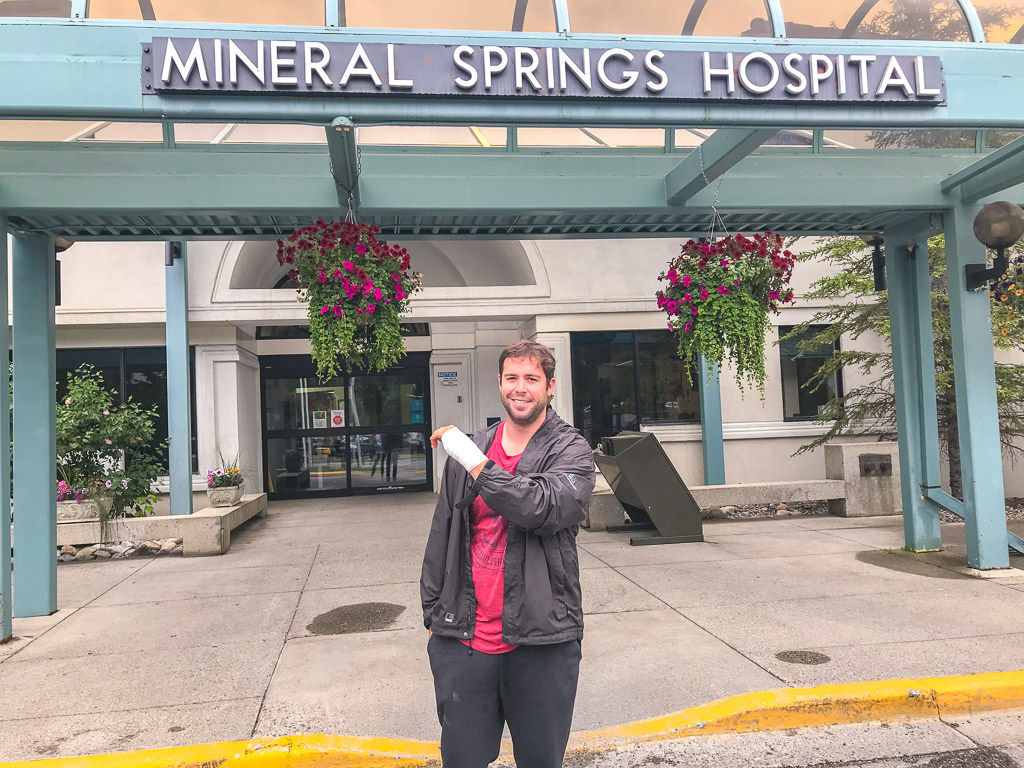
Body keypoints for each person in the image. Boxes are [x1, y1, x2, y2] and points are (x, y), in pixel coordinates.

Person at [420, 339, 596, 768]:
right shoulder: (472, 450)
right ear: (499, 383)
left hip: (542, 641)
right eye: (512, 378)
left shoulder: (570, 450)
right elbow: (441, 537)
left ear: (550, 387)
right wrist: (432, 617)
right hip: (465, 642)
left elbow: (541, 507)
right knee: (462, 760)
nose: (521, 388)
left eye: (531, 379)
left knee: (540, 761)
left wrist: (471, 458)